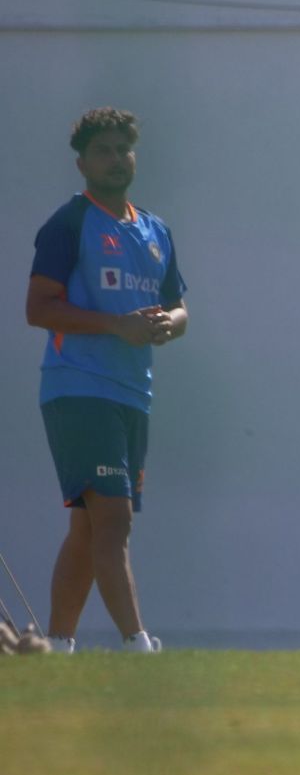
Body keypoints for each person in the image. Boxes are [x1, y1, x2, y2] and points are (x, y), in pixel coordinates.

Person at [24, 107, 187, 654]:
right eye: (104, 151)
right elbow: (38, 308)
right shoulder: (69, 224)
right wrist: (115, 325)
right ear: (82, 163)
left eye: (123, 149)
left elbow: (178, 307)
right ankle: (137, 643)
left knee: (88, 528)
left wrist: (169, 324)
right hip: (77, 388)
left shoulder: (155, 229)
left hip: (132, 393)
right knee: (113, 519)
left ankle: (59, 647)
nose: (116, 159)